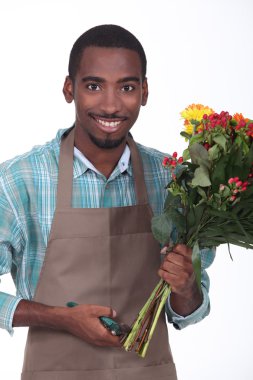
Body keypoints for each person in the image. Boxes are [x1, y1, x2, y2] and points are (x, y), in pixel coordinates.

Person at [0, 25, 215, 379]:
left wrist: (187, 287)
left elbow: (187, 311)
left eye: (127, 87)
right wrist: (59, 318)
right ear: (70, 89)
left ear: (145, 92)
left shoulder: (174, 182)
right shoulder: (20, 180)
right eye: (94, 86)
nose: (112, 105)